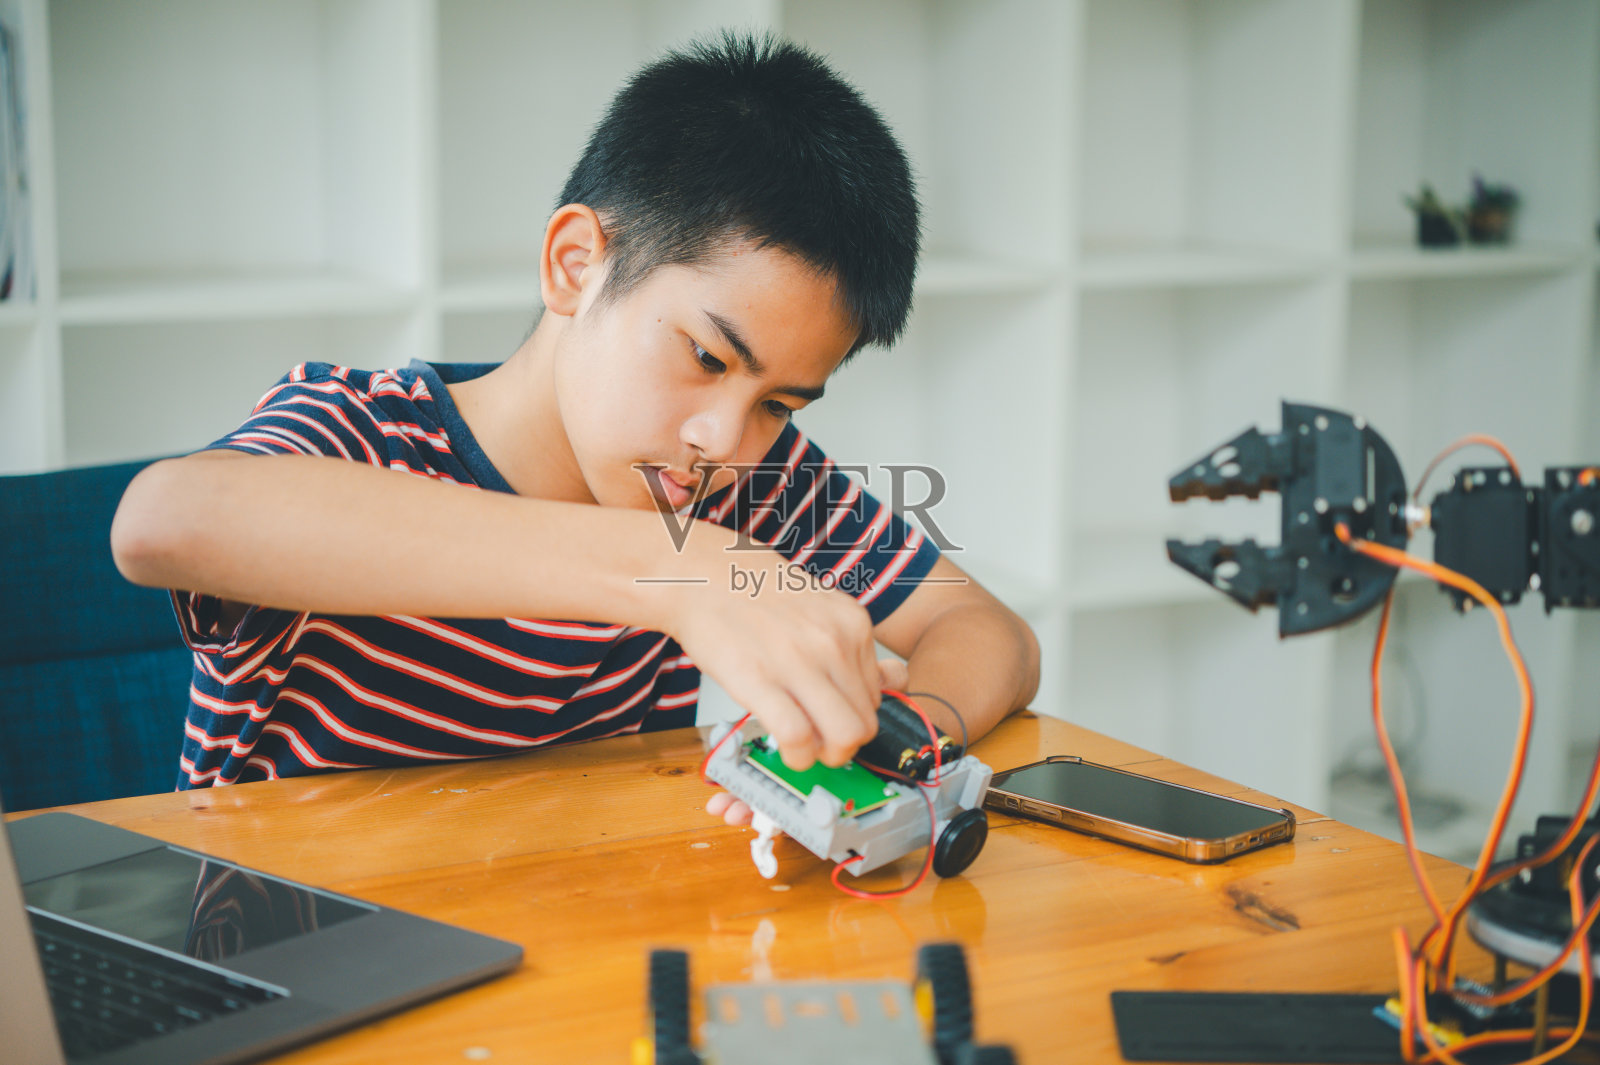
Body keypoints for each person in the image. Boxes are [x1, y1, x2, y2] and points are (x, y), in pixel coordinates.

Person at [110, 32, 1039, 825]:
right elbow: (165, 520)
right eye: (709, 358)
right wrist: (679, 576)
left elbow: (986, 629)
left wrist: (905, 736)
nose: (725, 438)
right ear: (575, 264)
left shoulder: (747, 475)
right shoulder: (360, 430)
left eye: (779, 403)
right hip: (299, 957)